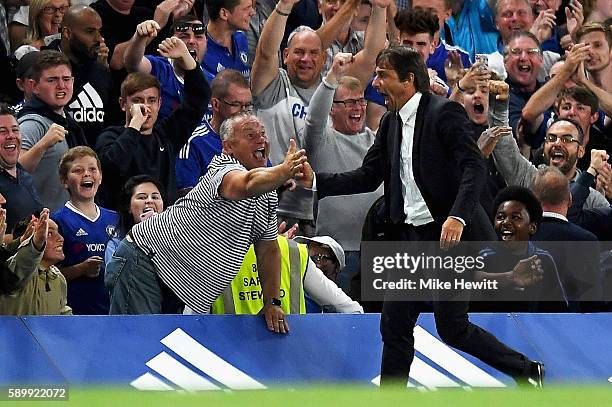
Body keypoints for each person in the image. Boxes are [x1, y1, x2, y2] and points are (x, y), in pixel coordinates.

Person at [301, 46, 544, 387]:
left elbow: (473, 165)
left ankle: (526, 370)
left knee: (452, 327)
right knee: (395, 323)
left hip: (449, 239)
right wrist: (316, 181)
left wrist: (458, 217)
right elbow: (369, 176)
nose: (376, 82)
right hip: (412, 240)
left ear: (408, 80)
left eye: (383, 75)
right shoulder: (390, 122)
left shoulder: (444, 114)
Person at [106, 112, 308, 336]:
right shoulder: (223, 170)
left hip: (178, 283)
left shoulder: (267, 193)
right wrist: (284, 170)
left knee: (163, 350)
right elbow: (247, 183)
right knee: (139, 346)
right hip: (144, 260)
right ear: (228, 147)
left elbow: (269, 249)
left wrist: (272, 302)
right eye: (250, 135)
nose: (261, 140)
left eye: (262, 134)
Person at [251, 0, 389, 233]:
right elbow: (265, 52)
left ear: (324, 58)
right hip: (276, 200)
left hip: (321, 202)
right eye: (299, 52)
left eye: (314, 53)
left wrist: (380, 8)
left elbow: (371, 56)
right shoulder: (273, 85)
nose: (306, 59)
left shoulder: (334, 86)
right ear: (285, 55)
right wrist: (284, 6)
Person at [95, 35, 210, 209]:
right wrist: (134, 126)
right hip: (121, 227)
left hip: (163, 226)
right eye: (138, 100)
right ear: (123, 104)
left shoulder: (167, 134)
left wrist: (186, 59)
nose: (145, 107)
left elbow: (199, 99)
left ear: (159, 104)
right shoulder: (110, 136)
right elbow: (112, 168)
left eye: (151, 100)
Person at [302, 52, 382, 293]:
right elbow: (313, 120)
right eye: (348, 102)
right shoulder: (321, 140)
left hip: (378, 251)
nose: (357, 107)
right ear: (332, 109)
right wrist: (332, 77)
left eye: (360, 101)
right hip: (335, 253)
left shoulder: (378, 142)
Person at [208, 235, 363, 315]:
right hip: (290, 355)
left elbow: (190, 320)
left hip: (231, 357)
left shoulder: (211, 252)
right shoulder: (293, 251)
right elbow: (352, 310)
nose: (317, 262)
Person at [17, 49, 87, 211]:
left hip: (67, 221)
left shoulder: (67, 121)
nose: (61, 86)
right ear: (34, 86)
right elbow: (13, 173)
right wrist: (43, 144)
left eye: (66, 79)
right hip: (41, 222)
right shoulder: (32, 123)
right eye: (52, 80)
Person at [51, 146, 118, 315]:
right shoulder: (57, 221)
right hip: (75, 314)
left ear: (100, 177)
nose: (86, 174)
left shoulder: (116, 219)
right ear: (64, 181)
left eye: (92, 169)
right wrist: (80, 269)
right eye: (78, 170)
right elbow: (46, 276)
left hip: (113, 314)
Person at [492, 116, 609, 208]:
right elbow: (504, 147)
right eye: (551, 138)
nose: (557, 143)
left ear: (580, 151)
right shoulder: (529, 178)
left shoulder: (593, 200)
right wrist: (500, 105)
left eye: (566, 139)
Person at [530, 166, 603, 311]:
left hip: (521, 328)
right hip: (570, 329)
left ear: (533, 199)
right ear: (570, 199)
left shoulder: (518, 237)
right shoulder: (586, 240)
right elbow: (594, 303)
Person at [43, 5, 112, 147]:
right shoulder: (43, 68)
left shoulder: (101, 71)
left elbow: (112, 121)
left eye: (99, 32)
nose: (99, 39)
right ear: (67, 33)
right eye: (90, 32)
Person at [175, 68, 252, 195]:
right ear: (215, 104)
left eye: (248, 105)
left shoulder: (254, 139)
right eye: (236, 104)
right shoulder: (194, 142)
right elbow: (187, 196)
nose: (244, 112)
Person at [124, 15, 208, 120]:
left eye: (198, 37)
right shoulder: (159, 67)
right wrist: (139, 38)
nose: (191, 41)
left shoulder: (211, 80)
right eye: (183, 36)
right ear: (169, 41)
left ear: (206, 43)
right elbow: (133, 64)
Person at [0, 209, 72, 315]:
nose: (61, 238)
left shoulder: (58, 278)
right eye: (50, 233)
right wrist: (36, 244)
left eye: (58, 232)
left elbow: (63, 316)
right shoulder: (11, 271)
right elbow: (24, 264)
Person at [0, 104, 43, 235]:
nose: (11, 136)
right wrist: (24, 238)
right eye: (2, 131)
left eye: (15, 130)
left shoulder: (24, 175)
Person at [104, 174, 164, 266]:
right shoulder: (116, 245)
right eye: (142, 197)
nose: (149, 201)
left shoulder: (176, 239)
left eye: (155, 197)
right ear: (129, 207)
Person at [203, 0, 254, 81]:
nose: (252, 12)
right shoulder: (201, 53)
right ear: (224, 13)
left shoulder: (241, 39)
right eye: (246, 8)